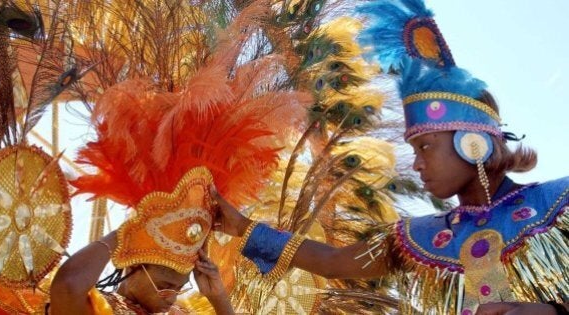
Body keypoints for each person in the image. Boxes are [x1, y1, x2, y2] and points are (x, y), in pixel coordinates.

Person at [210, 26, 569, 315]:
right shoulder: (422, 235)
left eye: (425, 147)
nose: (416, 164)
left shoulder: (559, 203)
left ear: (471, 143)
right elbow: (333, 262)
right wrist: (242, 227)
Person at [50, 230, 233, 314]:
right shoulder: (101, 307)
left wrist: (218, 298)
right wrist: (126, 233)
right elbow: (67, 287)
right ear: (132, 267)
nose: (172, 298)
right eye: (164, 287)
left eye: (179, 289)